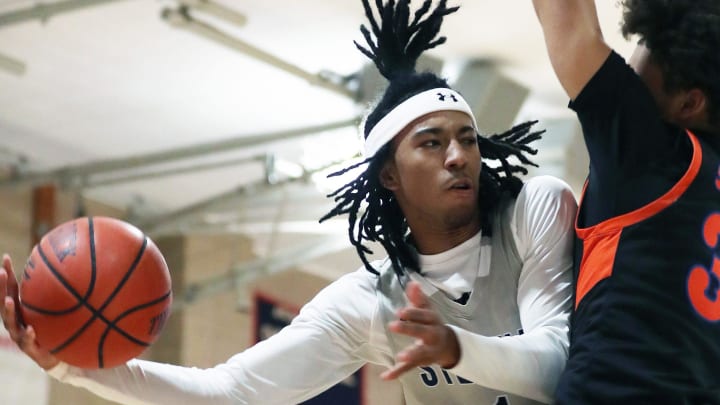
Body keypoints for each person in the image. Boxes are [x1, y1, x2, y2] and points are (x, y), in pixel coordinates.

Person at [0, 1, 577, 403]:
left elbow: (559, 365)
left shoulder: (535, 210)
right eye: (431, 142)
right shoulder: (368, 304)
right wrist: (71, 365)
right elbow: (229, 393)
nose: (458, 156)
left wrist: (453, 346)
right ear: (389, 179)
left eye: (467, 139)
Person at [530, 0, 720, 403]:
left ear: (688, 103)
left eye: (636, 69)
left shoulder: (649, 154)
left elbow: (571, 25)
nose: (625, 73)